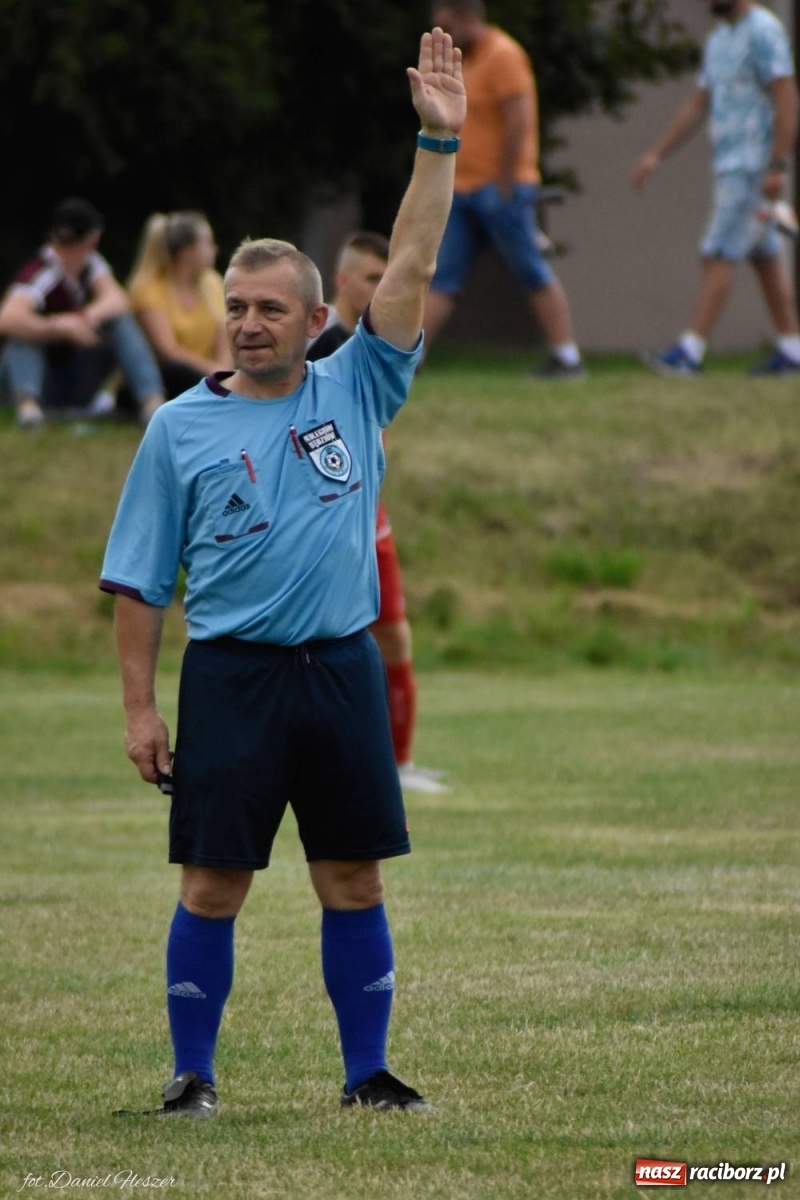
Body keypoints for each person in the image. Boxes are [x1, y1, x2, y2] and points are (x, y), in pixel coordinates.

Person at [99, 26, 465, 1118]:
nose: (249, 324)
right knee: (213, 885)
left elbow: (411, 261)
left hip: (340, 670)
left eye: (270, 309)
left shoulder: (358, 386)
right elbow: (139, 584)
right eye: (236, 306)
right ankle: (192, 1075)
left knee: (352, 878)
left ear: (316, 320)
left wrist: (437, 144)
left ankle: (367, 1075)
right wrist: (139, 710)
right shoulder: (177, 429)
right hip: (232, 676)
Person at [307, 231, 448, 795]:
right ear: (342, 281)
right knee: (328, 646)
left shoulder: (375, 343)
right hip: (329, 517)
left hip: (371, 514)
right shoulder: (317, 347)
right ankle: (339, 764)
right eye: (370, 277)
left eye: (383, 278)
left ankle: (400, 764)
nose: (379, 288)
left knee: (394, 637)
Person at [632, 0, 800, 378]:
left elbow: (787, 97)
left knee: (717, 251)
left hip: (752, 166)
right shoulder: (719, 39)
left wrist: (778, 162)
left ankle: (690, 351)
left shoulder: (764, 30)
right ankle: (793, 350)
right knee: (765, 257)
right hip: (728, 164)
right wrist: (657, 154)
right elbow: (698, 103)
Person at [421, 0, 585, 380]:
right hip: (462, 188)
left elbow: (518, 121)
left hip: (500, 188)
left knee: (530, 269)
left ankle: (567, 357)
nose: (445, 36)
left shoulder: (504, 54)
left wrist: (506, 182)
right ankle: (410, 359)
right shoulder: (465, 61)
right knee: (442, 276)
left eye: (449, 26)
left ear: (468, 18)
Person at [0, 197, 166, 428]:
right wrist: (58, 327)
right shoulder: (40, 273)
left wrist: (84, 318)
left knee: (120, 321)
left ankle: (151, 402)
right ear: (93, 238)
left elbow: (118, 300)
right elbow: (7, 319)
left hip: (73, 373)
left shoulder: (91, 266)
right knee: (23, 334)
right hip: (41, 378)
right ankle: (28, 406)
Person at [127, 211, 232, 400]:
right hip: (167, 378)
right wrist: (213, 371)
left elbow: (224, 336)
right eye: (207, 243)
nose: (214, 249)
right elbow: (168, 352)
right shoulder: (150, 290)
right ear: (187, 252)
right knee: (175, 371)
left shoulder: (213, 283)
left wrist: (224, 372)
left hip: (208, 374)